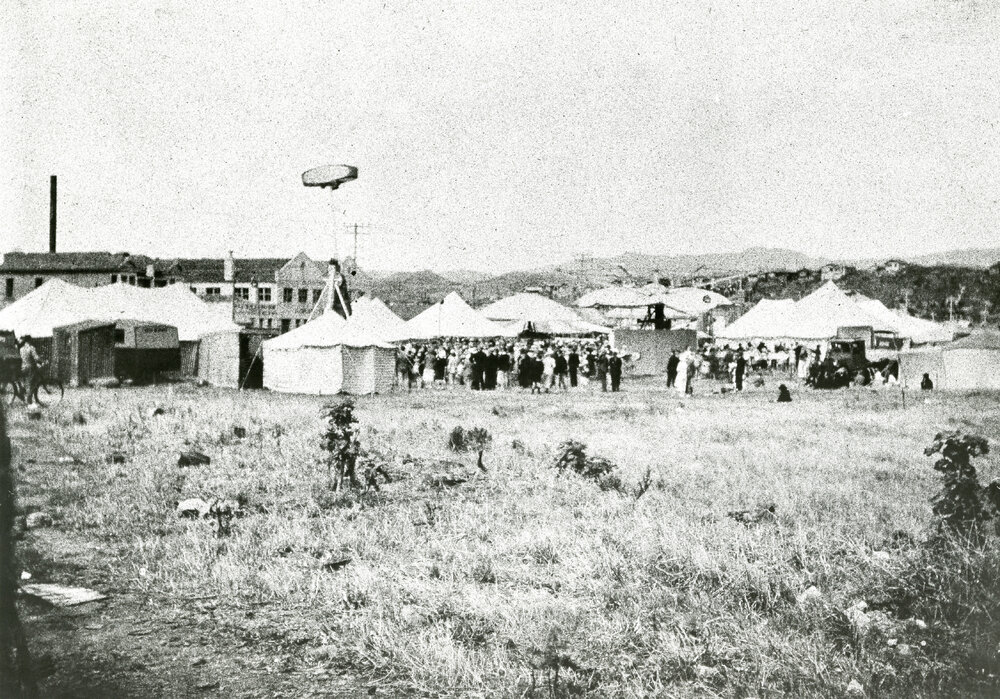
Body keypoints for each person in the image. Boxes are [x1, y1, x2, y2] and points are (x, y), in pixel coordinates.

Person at [18, 336, 41, 405]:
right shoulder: (31, 348)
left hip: (23, 367)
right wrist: (41, 361)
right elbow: (36, 358)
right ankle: (29, 402)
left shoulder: (21, 349)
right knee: (30, 384)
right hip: (30, 368)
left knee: (25, 382)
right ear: (30, 340)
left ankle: (22, 392)